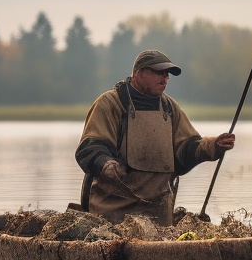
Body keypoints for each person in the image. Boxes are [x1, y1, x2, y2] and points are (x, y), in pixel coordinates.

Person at [76, 50, 236, 226]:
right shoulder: (110, 103)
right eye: (159, 72)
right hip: (113, 214)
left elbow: (187, 147)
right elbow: (89, 148)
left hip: (160, 215)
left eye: (167, 74)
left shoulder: (169, 107)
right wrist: (107, 165)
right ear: (139, 73)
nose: (165, 78)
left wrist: (214, 145)